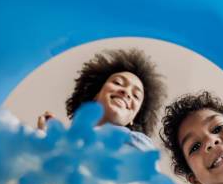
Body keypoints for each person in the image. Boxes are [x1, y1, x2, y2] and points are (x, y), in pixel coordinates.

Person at [38, 48, 166, 151]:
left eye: (136, 96)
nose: (126, 92)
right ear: (96, 94)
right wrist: (44, 135)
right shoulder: (69, 140)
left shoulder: (137, 142)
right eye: (118, 82)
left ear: (134, 118)